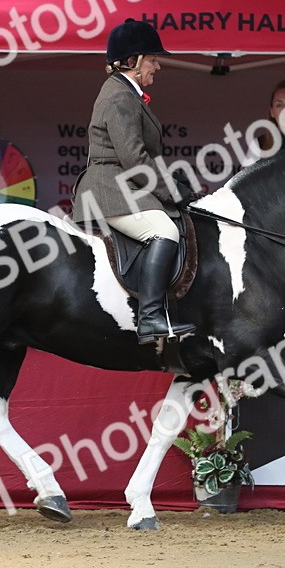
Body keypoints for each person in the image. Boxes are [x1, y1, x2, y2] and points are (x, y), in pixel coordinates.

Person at [71, 19, 196, 345]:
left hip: (120, 184)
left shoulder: (128, 94)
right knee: (164, 230)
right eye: (153, 58)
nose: (158, 65)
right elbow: (135, 160)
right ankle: (150, 316)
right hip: (109, 188)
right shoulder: (120, 98)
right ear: (133, 61)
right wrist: (171, 192)